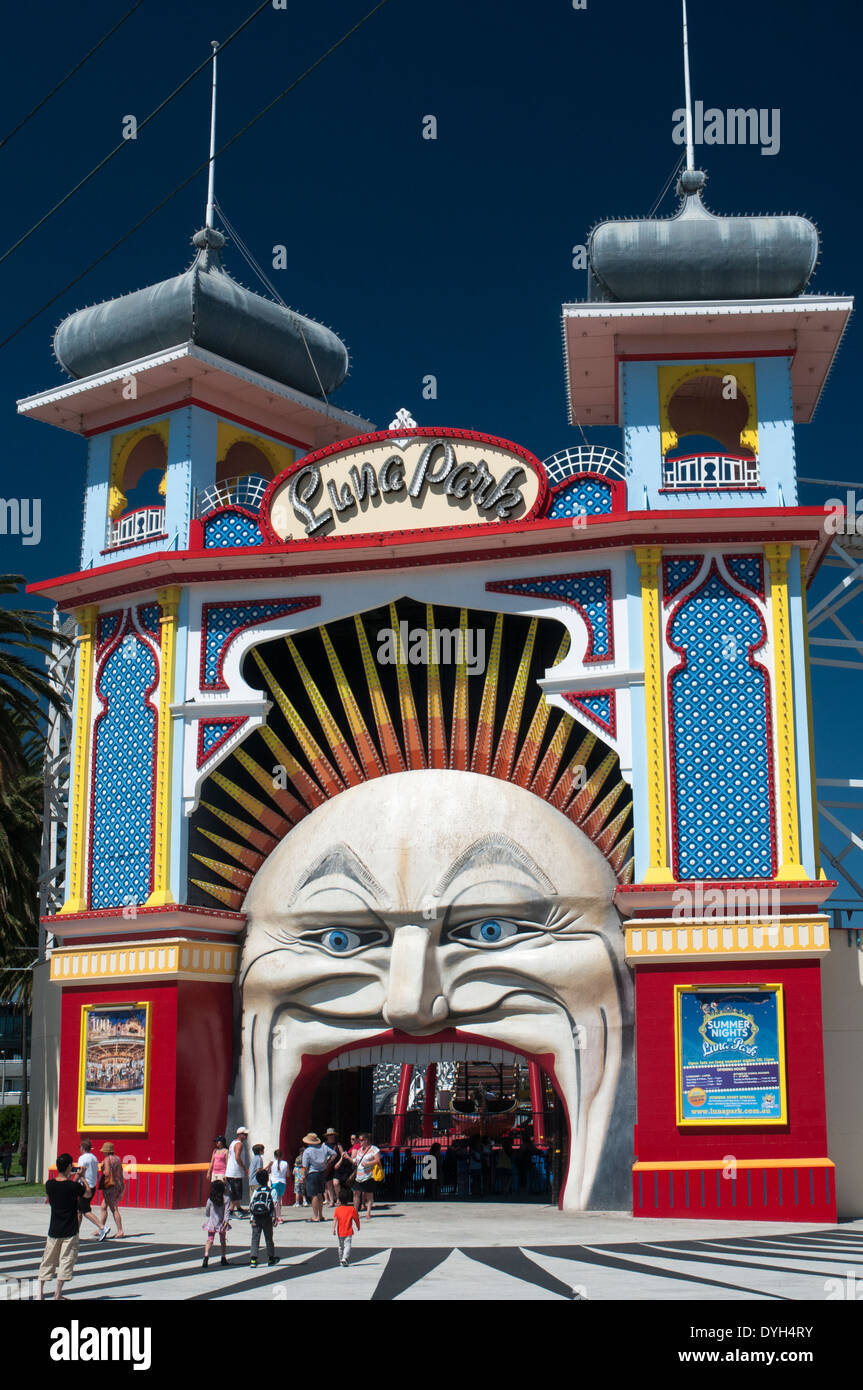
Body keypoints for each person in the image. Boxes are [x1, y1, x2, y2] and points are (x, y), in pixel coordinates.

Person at [38, 1153, 91, 1300]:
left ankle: (40, 1293)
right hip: (70, 1230)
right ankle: (58, 1294)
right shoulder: (73, 1186)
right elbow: (87, 1193)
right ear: (69, 1167)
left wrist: (75, 1177)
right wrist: (83, 1177)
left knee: (47, 1260)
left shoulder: (50, 1184)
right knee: (66, 1261)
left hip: (54, 1229)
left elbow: (65, 1187)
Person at [300, 1131, 335, 1223]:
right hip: (321, 1172)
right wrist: (327, 1162)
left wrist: (304, 1176)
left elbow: (305, 1166)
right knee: (320, 1194)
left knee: (313, 1194)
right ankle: (321, 1215)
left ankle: (315, 1216)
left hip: (312, 1173)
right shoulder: (323, 1147)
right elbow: (334, 1154)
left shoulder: (307, 1150)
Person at [248, 1169, 279, 1267]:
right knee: (269, 1238)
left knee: (255, 1238)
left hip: (256, 1217)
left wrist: (251, 1218)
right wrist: (275, 1217)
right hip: (267, 1217)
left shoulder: (256, 1191)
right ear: (267, 1179)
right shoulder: (272, 1191)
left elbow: (251, 1204)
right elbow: (274, 1204)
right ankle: (271, 1258)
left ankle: (253, 1259)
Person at [75, 1139, 104, 1239]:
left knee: (85, 1210)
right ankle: (76, 1233)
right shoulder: (94, 1158)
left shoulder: (82, 1158)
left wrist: (72, 1182)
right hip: (92, 1186)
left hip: (84, 1186)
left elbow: (81, 1171)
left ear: (82, 1148)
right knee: (79, 1211)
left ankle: (102, 1227)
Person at [95, 1142, 126, 1238]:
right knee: (104, 1206)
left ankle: (120, 1230)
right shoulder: (117, 1159)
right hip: (118, 1185)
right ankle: (101, 1227)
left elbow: (107, 1172)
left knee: (114, 1208)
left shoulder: (107, 1159)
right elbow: (120, 1172)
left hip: (110, 1187)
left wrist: (102, 1171)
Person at [201, 1179, 231, 1269]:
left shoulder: (210, 1199)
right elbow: (227, 1211)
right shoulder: (226, 1199)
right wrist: (226, 1221)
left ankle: (206, 1256)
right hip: (221, 1223)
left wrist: (209, 1215)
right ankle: (223, 1257)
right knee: (222, 1240)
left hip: (212, 1222)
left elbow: (207, 1211)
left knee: (210, 1239)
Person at [351, 1133, 381, 1220]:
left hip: (369, 1176)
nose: (359, 1142)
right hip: (359, 1176)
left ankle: (368, 1212)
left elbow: (377, 1160)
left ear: (366, 1140)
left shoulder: (374, 1149)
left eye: (361, 1140)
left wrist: (368, 1163)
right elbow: (356, 1161)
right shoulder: (359, 1150)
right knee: (356, 1193)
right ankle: (355, 1211)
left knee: (369, 1194)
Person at [225, 1125, 249, 1218]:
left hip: (232, 1172)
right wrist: (244, 1168)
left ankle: (239, 1208)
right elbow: (237, 1157)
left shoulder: (233, 1143)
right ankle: (230, 1211)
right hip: (235, 1172)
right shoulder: (239, 1144)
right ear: (240, 1135)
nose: (247, 1136)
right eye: (245, 1134)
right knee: (236, 1193)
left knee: (235, 1192)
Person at [332, 1191, 360, 1267]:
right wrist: (358, 1226)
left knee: (341, 1246)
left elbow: (335, 1219)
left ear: (339, 1200)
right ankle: (345, 1258)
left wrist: (333, 1228)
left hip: (340, 1232)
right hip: (348, 1231)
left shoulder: (337, 1209)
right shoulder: (352, 1209)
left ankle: (341, 1260)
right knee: (348, 1245)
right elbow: (356, 1218)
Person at [324, 1128, 350, 1205]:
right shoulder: (324, 1145)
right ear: (327, 1136)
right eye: (329, 1135)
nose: (331, 1136)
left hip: (337, 1166)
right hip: (328, 1166)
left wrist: (339, 1162)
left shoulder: (338, 1145)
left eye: (332, 1135)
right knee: (328, 1184)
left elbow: (343, 1154)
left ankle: (338, 1199)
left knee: (336, 1183)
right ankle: (331, 1201)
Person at [271, 1149, 289, 1222]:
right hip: (282, 1182)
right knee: (279, 1200)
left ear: (274, 1156)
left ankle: (275, 1216)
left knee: (274, 1200)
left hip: (274, 1182)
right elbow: (288, 1174)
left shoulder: (272, 1163)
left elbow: (268, 1171)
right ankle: (279, 1216)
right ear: (282, 1156)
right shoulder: (285, 1163)